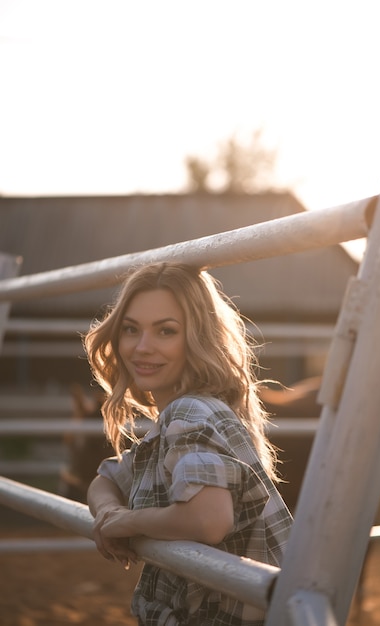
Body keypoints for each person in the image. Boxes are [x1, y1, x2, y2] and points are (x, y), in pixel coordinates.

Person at [84, 262, 292, 626]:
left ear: (197, 337)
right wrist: (108, 514)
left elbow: (208, 520)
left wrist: (128, 523)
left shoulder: (190, 412)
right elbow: (106, 478)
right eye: (131, 329)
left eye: (166, 331)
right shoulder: (178, 418)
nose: (142, 348)